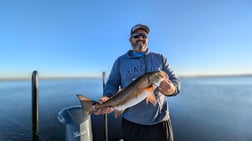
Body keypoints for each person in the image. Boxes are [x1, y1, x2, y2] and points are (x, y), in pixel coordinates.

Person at [95, 24, 181, 141]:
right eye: (136, 36)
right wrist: (107, 97)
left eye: (143, 35)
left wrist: (172, 90)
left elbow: (176, 82)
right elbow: (112, 83)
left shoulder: (160, 58)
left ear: (147, 38)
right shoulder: (120, 61)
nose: (140, 38)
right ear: (131, 39)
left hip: (160, 122)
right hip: (132, 124)